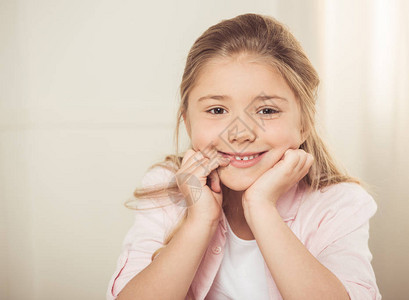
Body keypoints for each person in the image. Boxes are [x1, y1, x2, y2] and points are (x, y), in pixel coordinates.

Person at [106, 13, 381, 300]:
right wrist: (199, 222)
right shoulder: (167, 189)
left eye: (266, 111)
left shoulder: (338, 204)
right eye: (217, 110)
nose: (239, 134)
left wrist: (261, 207)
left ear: (303, 124)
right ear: (187, 122)